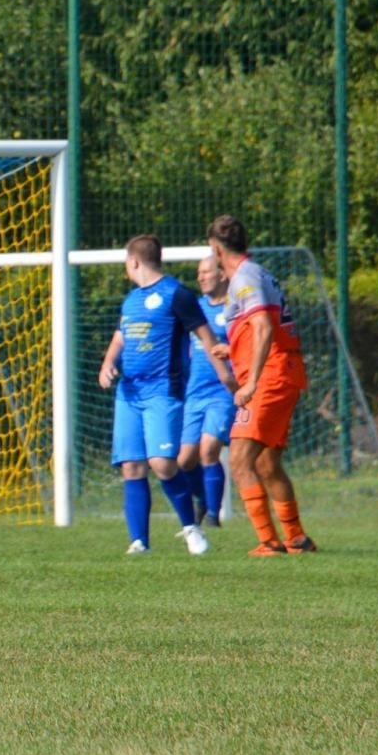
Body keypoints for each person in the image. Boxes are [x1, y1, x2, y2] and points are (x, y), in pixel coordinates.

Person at [97, 234, 231, 556]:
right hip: (129, 392)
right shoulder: (130, 300)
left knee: (163, 465)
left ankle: (191, 527)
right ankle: (139, 542)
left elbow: (206, 336)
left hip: (162, 391)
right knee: (131, 466)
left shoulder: (177, 295)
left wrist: (226, 375)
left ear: (134, 261)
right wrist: (107, 364)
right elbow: (120, 337)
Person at [207, 215, 317, 555]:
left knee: (239, 458)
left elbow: (264, 326)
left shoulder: (243, 277)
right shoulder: (257, 273)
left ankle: (269, 542)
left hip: (270, 376)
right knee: (267, 463)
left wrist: (251, 381)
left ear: (216, 248)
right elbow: (258, 326)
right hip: (283, 371)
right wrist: (232, 347)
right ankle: (296, 537)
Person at [176, 255, 237, 530]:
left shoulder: (234, 309)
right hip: (195, 392)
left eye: (206, 272)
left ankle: (214, 516)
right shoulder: (195, 308)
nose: (200, 277)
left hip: (222, 391)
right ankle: (202, 499)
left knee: (209, 449)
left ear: (222, 275)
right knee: (184, 459)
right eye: (198, 272)